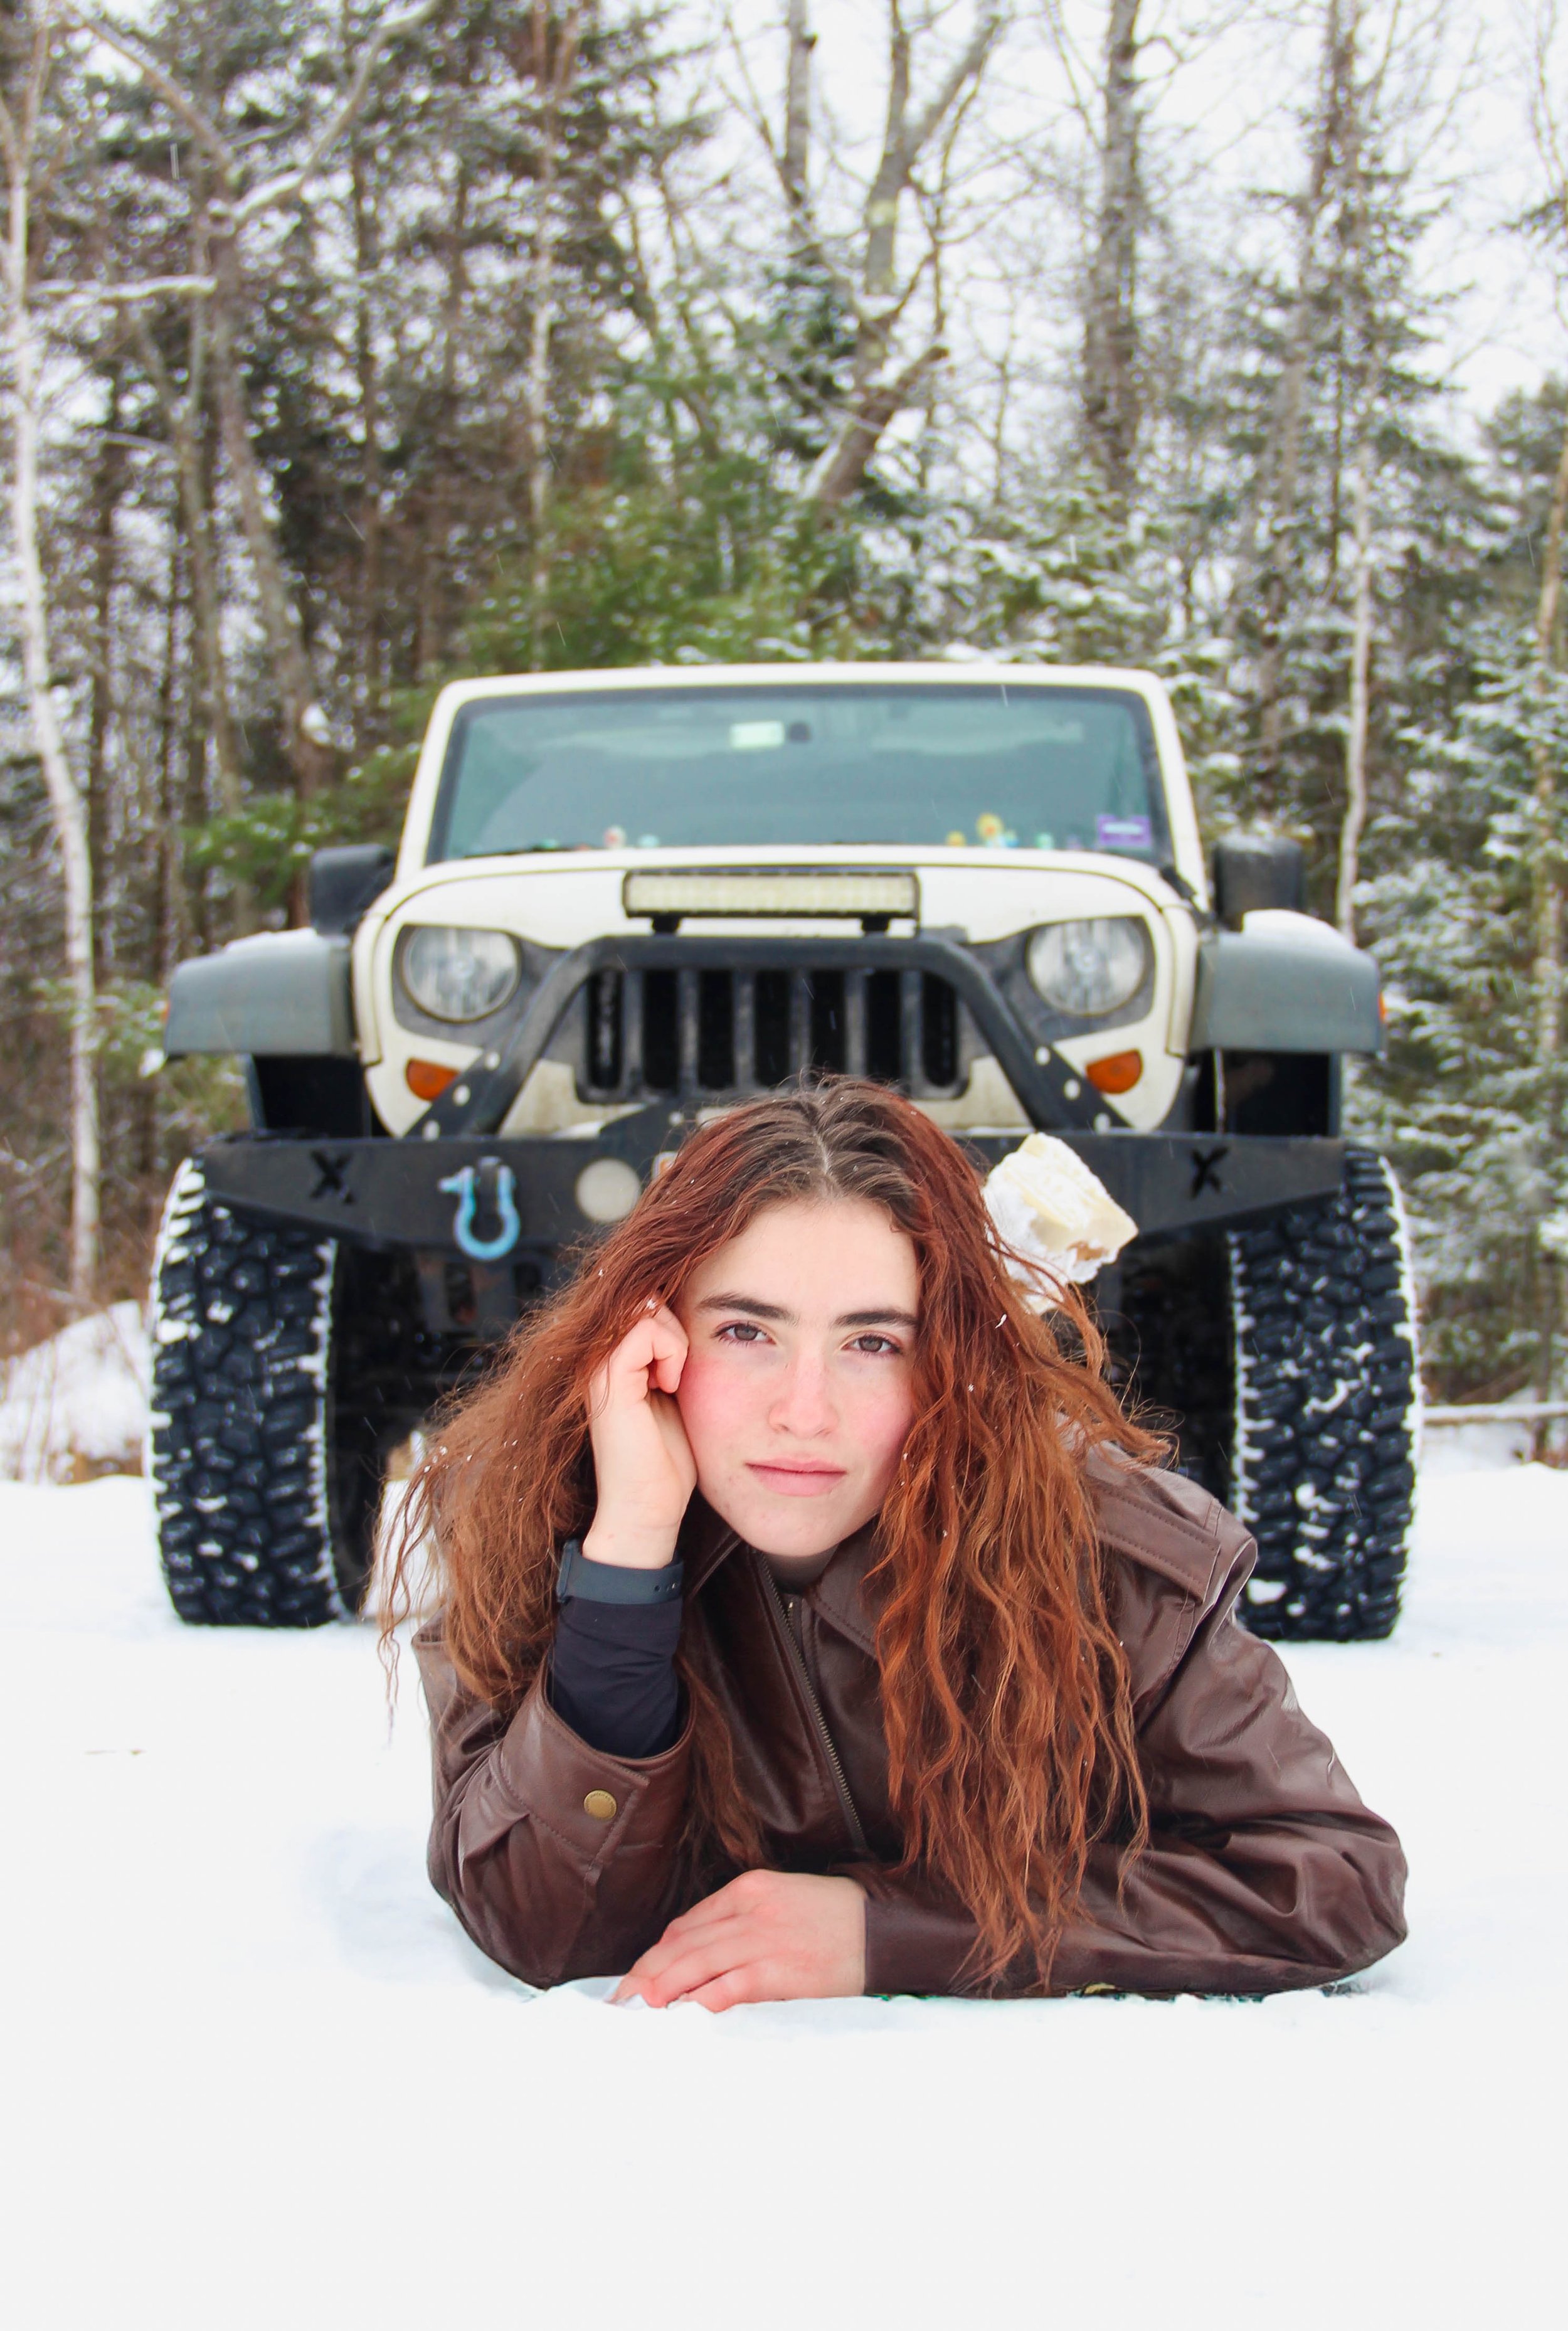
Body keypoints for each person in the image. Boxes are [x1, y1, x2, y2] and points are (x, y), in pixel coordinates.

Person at [390, 1080, 1406, 2007]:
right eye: (747, 1331)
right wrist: (627, 1561)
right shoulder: (536, 1520)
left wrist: (896, 1932)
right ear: (652, 1332)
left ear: (949, 1356)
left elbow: (1328, 1884)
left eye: (873, 1343)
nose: (805, 1411)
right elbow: (538, 1922)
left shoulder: (1112, 1559)